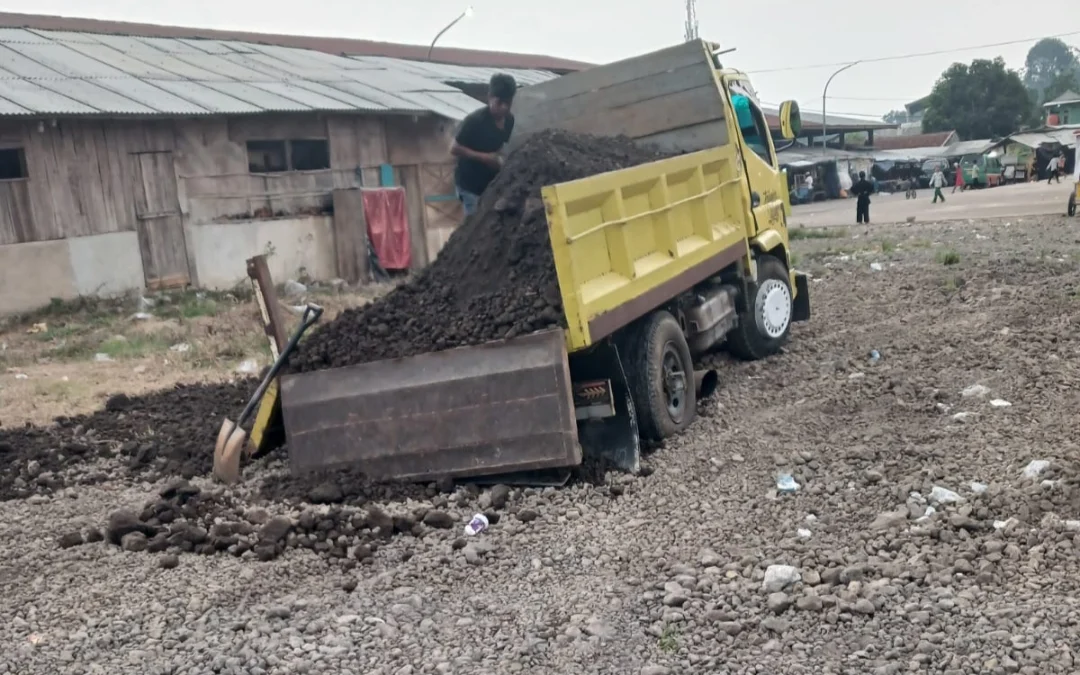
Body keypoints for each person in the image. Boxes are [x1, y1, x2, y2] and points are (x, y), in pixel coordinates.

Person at [452, 73, 517, 217]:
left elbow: (500, 147)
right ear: (490, 97)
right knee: (475, 223)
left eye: (508, 103)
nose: (504, 108)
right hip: (469, 184)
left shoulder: (509, 121)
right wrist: (485, 158)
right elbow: (454, 148)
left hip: (490, 184)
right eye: (499, 103)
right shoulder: (475, 121)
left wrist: (500, 160)